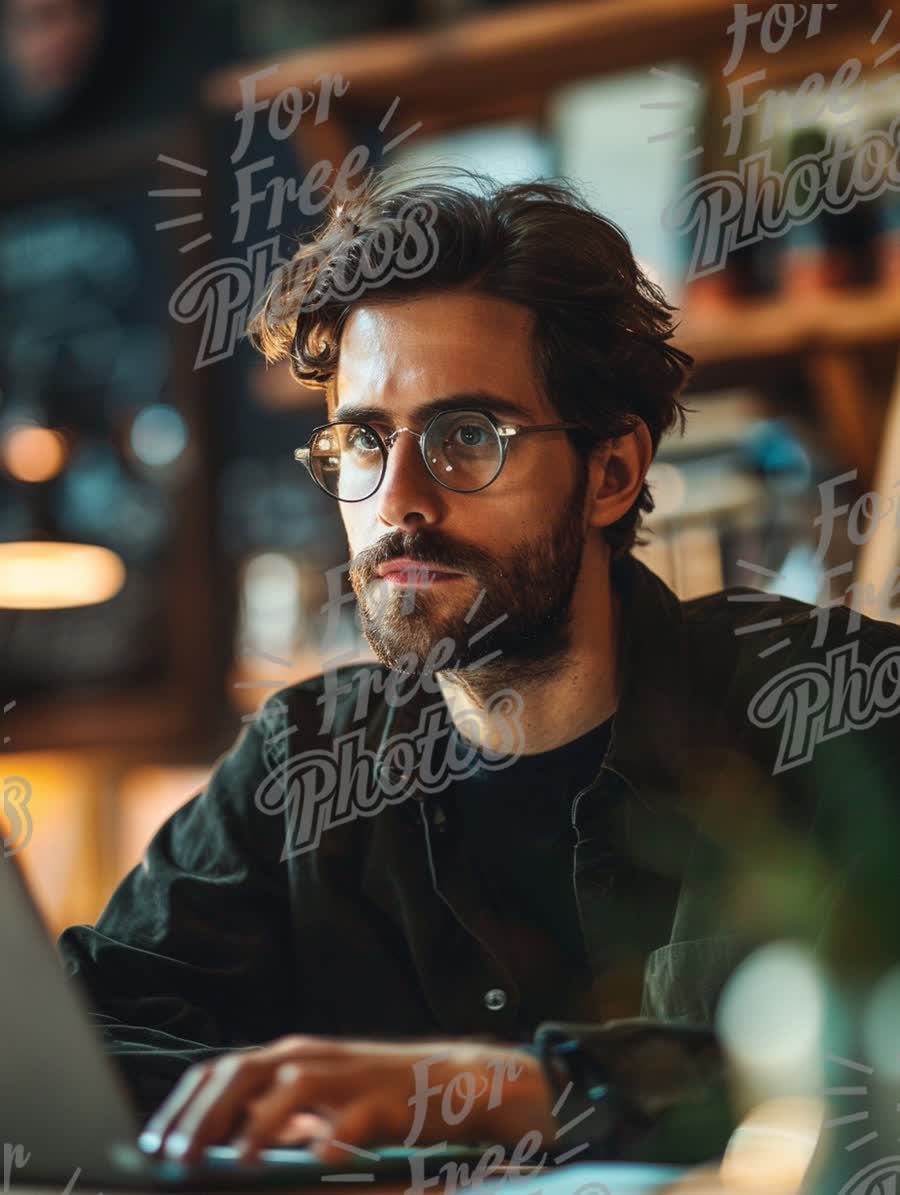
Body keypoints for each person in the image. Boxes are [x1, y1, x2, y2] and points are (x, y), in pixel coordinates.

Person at [57, 166, 900, 1170]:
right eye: (364, 440)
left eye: (468, 437)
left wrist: (509, 1093)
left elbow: (864, 1063)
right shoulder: (303, 766)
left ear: (613, 472)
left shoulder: (841, 707)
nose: (400, 498)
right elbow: (80, 1043)